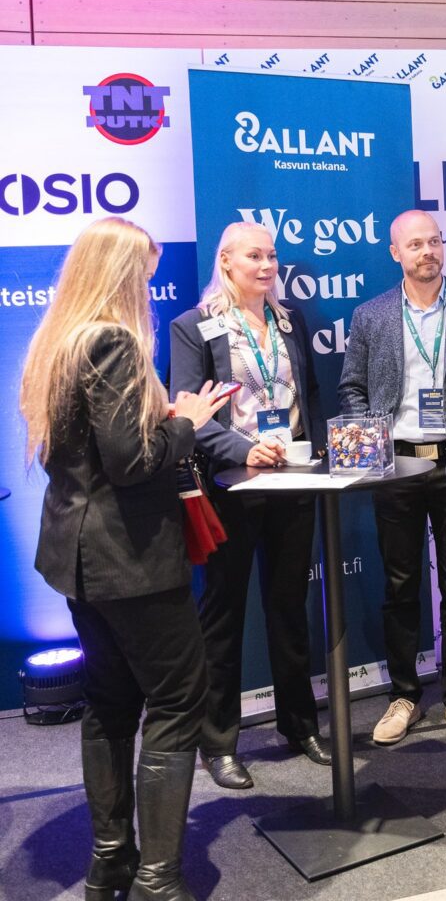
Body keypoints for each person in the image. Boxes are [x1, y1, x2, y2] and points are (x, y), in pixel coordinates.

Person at [20, 217, 226, 901]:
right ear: (119, 273)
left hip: (81, 560)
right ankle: (157, 878)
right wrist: (186, 422)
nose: (147, 286)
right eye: (142, 272)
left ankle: (111, 859)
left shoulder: (57, 341)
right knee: (177, 700)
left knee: (110, 703)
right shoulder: (113, 342)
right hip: (130, 560)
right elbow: (132, 463)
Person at [338, 209, 446, 745]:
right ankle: (404, 696)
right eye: (415, 244)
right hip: (395, 468)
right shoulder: (370, 317)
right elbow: (351, 389)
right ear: (396, 253)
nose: (427, 251)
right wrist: (372, 449)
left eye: (434, 241)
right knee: (399, 586)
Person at [170, 220, 330, 790]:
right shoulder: (194, 326)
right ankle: (218, 744)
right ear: (226, 262)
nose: (267, 266)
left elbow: (308, 394)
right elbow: (187, 411)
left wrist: (318, 452)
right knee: (223, 615)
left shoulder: (290, 320)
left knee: (290, 607)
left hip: (293, 482)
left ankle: (300, 725)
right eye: (254, 256)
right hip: (230, 488)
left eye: (272, 256)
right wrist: (243, 450)